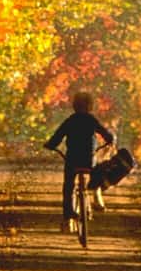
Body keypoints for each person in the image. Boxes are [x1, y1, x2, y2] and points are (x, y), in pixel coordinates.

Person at [43, 92, 114, 232]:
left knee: (68, 185)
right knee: (96, 171)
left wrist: (50, 145)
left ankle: (68, 214)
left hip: (72, 159)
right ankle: (95, 193)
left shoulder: (70, 120)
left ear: (74, 105)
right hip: (88, 159)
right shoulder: (92, 120)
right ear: (90, 106)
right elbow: (106, 134)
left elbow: (56, 138)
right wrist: (110, 140)